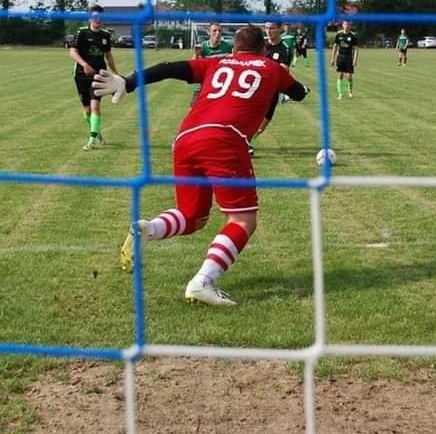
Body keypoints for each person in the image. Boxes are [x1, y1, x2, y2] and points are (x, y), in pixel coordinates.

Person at [93, 25, 309, 306]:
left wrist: (129, 82)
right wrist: (302, 88)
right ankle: (202, 282)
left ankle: (150, 229)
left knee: (193, 215)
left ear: (233, 49)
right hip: (224, 139)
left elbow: (170, 67)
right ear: (263, 49)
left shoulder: (216, 62)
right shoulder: (271, 66)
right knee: (243, 219)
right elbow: (298, 93)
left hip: (185, 138)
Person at [68, 5, 118, 150]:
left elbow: (108, 56)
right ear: (90, 18)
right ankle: (96, 131)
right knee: (87, 110)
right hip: (81, 75)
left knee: (95, 107)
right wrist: (84, 65)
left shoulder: (106, 35)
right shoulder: (81, 33)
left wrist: (116, 73)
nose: (98, 20)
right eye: (96, 17)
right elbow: (72, 52)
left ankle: (91, 141)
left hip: (99, 75)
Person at [249, 21, 293, 156]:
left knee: (263, 124)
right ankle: (245, 143)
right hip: (256, 87)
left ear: (279, 29)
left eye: (272, 28)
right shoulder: (260, 45)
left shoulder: (284, 47)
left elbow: (284, 69)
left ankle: (246, 141)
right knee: (250, 117)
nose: (269, 31)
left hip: (273, 89)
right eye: (267, 28)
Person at [189, 22, 233, 107]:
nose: (217, 33)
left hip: (223, 86)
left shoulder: (228, 46)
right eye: (214, 31)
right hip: (204, 85)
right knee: (193, 110)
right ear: (208, 32)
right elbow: (193, 66)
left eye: (219, 31)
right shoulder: (202, 47)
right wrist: (196, 55)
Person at [331, 20, 359, 99]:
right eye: (345, 24)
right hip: (340, 57)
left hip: (349, 57)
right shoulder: (339, 34)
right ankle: (340, 94)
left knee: (349, 76)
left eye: (348, 25)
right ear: (343, 25)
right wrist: (332, 58)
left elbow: (356, 49)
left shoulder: (353, 36)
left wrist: (355, 59)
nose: (346, 26)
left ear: (350, 26)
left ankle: (350, 91)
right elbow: (335, 46)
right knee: (340, 75)